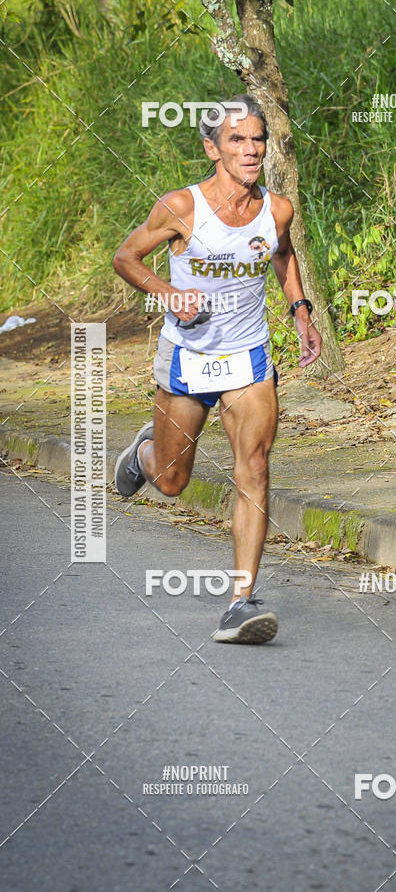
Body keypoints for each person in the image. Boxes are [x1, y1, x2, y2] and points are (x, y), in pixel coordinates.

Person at [112, 94, 321, 644]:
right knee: (172, 481)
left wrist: (300, 310)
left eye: (258, 139)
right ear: (212, 147)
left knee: (254, 465)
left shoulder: (277, 209)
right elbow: (126, 258)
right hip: (187, 357)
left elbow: (281, 253)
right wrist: (167, 293)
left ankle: (241, 602)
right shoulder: (181, 206)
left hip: (248, 356)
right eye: (237, 140)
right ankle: (145, 454)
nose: (251, 150)